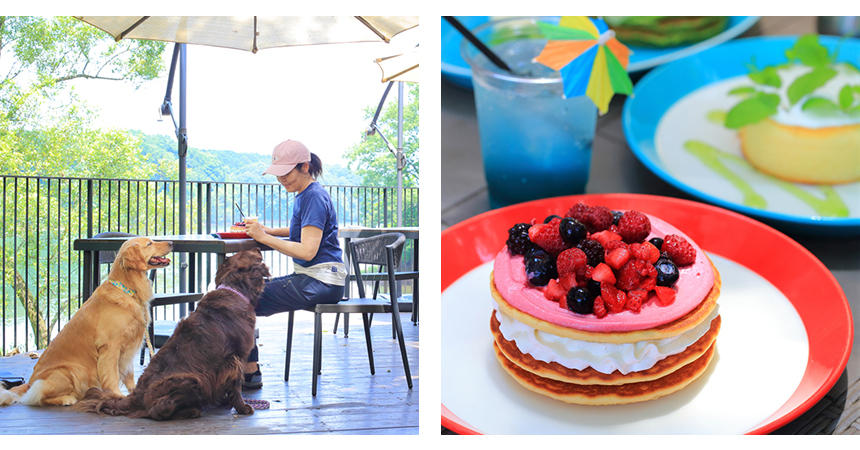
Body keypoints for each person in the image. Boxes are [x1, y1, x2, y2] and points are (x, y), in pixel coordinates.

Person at [241, 139, 347, 389]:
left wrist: (263, 238)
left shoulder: (313, 197)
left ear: (305, 167)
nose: (281, 180)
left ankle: (249, 372)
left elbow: (308, 250)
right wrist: (269, 231)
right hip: (316, 280)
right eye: (278, 174)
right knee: (240, 296)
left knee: (239, 300)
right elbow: (304, 229)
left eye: (286, 173)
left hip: (320, 281)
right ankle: (244, 370)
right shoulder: (306, 194)